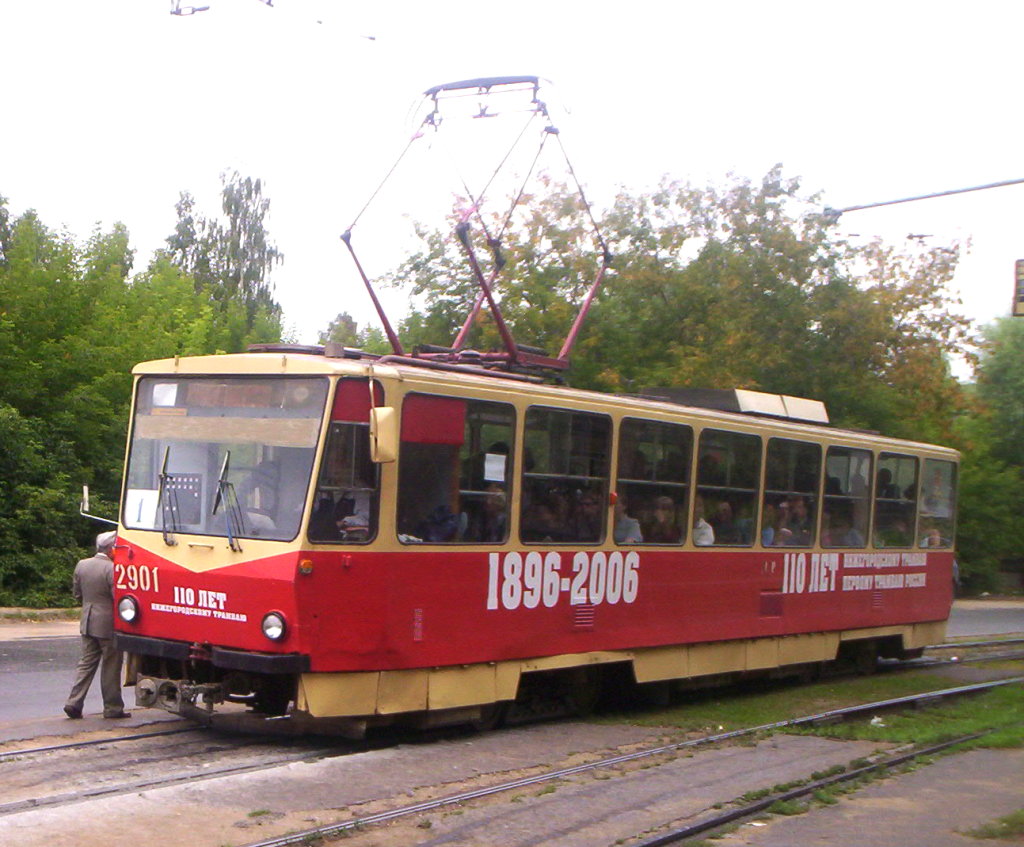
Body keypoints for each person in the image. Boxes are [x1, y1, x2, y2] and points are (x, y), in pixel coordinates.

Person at [63, 531, 128, 719]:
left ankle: (73, 702)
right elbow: (119, 598)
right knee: (111, 666)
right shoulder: (112, 569)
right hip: (107, 626)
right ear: (110, 550)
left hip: (87, 622)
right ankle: (113, 708)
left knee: (86, 664)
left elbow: (77, 594)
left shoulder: (82, 565)